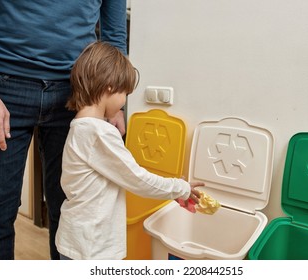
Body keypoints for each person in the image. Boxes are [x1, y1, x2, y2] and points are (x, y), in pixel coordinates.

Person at [0, 0, 128, 260]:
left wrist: (114, 101)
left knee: (75, 214)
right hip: (3, 88)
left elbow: (114, 30)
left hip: (80, 94)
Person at [55, 41, 203, 260]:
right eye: (125, 94)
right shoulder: (99, 133)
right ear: (109, 87)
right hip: (92, 247)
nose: (124, 101)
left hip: (77, 240)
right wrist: (179, 188)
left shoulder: (80, 127)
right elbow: (137, 178)